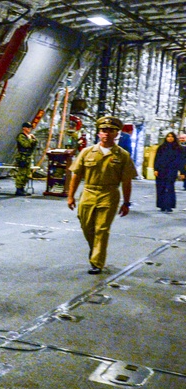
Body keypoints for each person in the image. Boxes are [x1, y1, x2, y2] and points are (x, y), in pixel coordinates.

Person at [67, 115, 135, 275]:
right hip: (88, 192)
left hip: (109, 194)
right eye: (103, 130)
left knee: (102, 229)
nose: (106, 133)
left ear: (116, 133)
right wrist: (70, 196)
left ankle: (97, 262)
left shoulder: (122, 156)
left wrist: (126, 202)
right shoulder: (87, 152)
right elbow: (76, 175)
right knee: (86, 226)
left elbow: (126, 181)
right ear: (99, 133)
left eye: (111, 131)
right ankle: (95, 249)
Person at [153, 132, 182, 213]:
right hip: (161, 170)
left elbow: (181, 160)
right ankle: (161, 205)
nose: (170, 138)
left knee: (170, 188)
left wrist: (182, 171)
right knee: (161, 188)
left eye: (172, 137)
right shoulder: (161, 148)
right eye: (168, 136)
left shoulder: (178, 148)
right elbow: (157, 159)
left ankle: (169, 205)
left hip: (172, 170)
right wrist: (155, 169)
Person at [14, 121, 38, 195]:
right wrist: (31, 139)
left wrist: (34, 139)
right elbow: (25, 145)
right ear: (24, 128)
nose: (29, 129)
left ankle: (22, 188)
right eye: (28, 127)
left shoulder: (28, 136)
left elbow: (35, 144)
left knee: (26, 174)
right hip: (22, 157)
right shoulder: (21, 136)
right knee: (21, 173)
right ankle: (19, 189)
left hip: (28, 157)